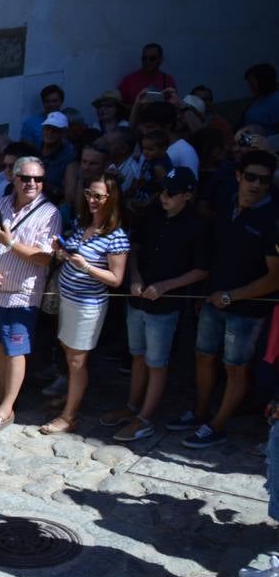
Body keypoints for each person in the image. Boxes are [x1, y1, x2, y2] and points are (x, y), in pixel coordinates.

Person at [167, 150, 279, 448]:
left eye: (264, 180)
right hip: (213, 299)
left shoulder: (272, 218)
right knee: (203, 356)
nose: (257, 185)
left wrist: (231, 296)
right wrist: (207, 293)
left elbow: (275, 277)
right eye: (251, 177)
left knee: (235, 366)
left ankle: (218, 425)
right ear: (238, 176)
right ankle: (201, 412)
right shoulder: (227, 203)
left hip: (247, 309)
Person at [100, 168, 210, 442]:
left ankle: (145, 419)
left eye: (171, 193)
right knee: (137, 355)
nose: (164, 197)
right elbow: (135, 249)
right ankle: (132, 406)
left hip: (166, 306)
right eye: (163, 191)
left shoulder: (197, 225)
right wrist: (135, 277)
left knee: (156, 362)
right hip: (138, 299)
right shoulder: (153, 215)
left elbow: (202, 269)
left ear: (187, 195)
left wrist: (165, 286)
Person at [0, 156, 61, 435]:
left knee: (15, 349)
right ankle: (4, 397)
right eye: (26, 178)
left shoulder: (50, 214)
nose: (32, 183)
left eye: (38, 178)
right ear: (13, 178)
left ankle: (6, 409)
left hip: (23, 294)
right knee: (0, 345)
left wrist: (10, 242)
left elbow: (44, 258)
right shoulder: (0, 204)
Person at [40, 175, 130, 434]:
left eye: (98, 196)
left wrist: (86, 266)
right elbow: (73, 255)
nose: (91, 200)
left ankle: (69, 416)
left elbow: (116, 279)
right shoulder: (83, 224)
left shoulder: (117, 236)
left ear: (111, 199)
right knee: (69, 354)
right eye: (89, 194)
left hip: (87, 305)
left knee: (77, 361)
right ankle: (70, 398)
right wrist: (63, 252)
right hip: (67, 299)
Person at [37, 112, 77, 202]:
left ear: (63, 133)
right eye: (47, 128)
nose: (50, 132)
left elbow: (69, 196)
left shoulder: (69, 157)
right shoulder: (35, 150)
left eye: (55, 130)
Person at [243, 63, 279, 136]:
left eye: (252, 83)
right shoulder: (257, 100)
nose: (249, 87)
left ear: (263, 82)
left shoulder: (276, 100)